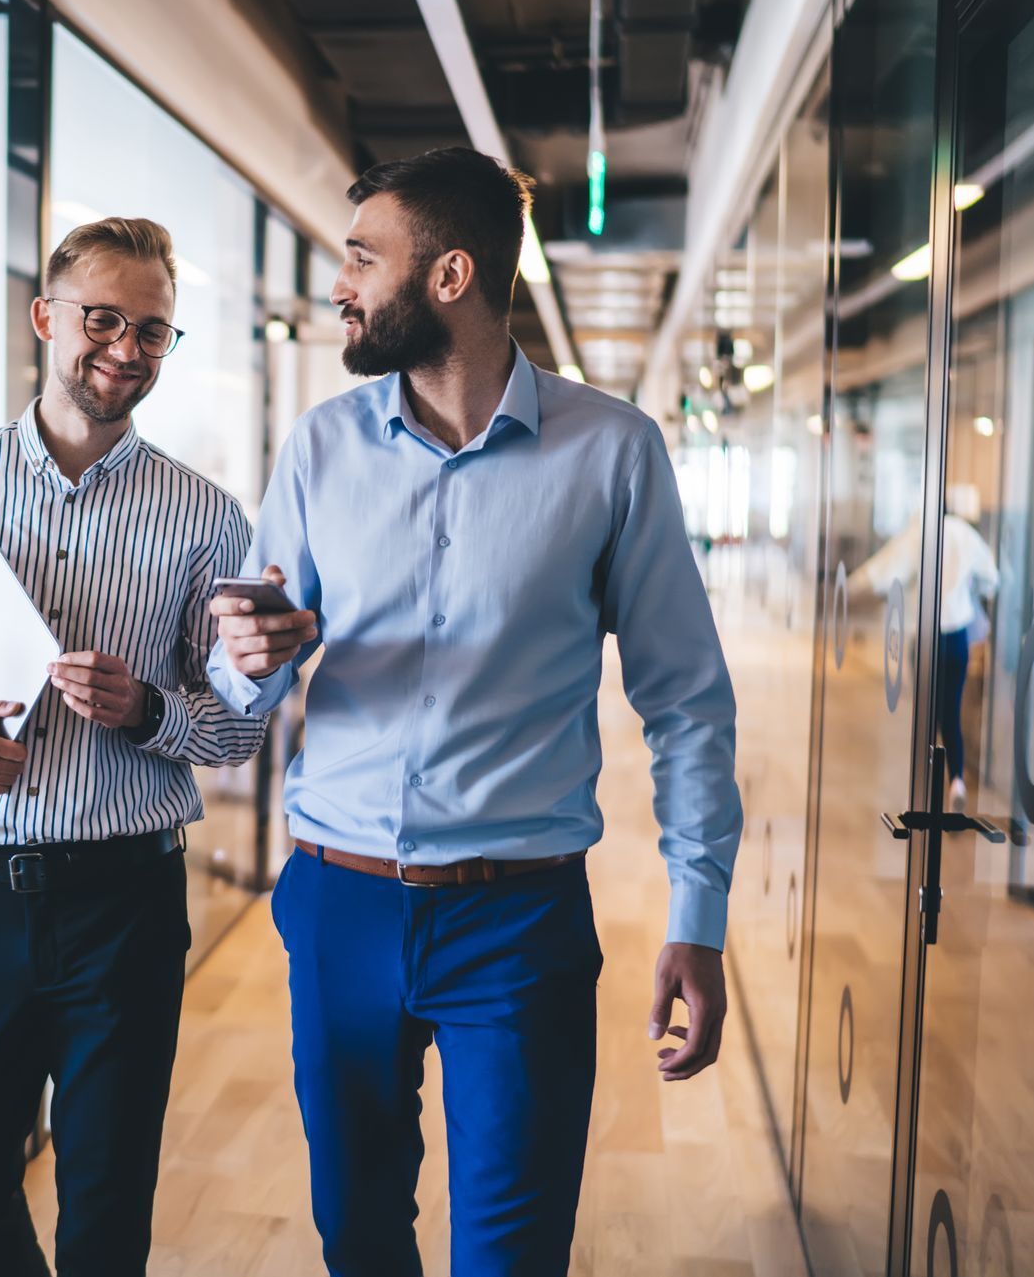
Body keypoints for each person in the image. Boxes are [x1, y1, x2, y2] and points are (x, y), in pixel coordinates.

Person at [207, 146, 743, 1275]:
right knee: (358, 1239)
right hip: (339, 905)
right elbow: (236, 687)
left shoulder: (613, 454)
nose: (341, 286)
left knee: (510, 1254)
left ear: (449, 277)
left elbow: (687, 702)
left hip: (519, 926)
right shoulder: (319, 449)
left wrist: (698, 912)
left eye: (363, 259)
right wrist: (248, 657)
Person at [0, 216, 266, 1277]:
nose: (126, 348)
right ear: (45, 319)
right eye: (103, 319)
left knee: (109, 1200)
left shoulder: (207, 519)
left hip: (126, 906)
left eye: (153, 331)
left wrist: (149, 712)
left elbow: (240, 725)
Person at [848, 484, 999, 812]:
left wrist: (847, 586)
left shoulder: (920, 534)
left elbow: (884, 569)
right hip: (957, 636)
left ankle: (923, 791)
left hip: (927, 639)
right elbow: (992, 577)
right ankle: (956, 781)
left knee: (926, 717)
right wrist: (968, 587)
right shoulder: (966, 536)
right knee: (952, 713)